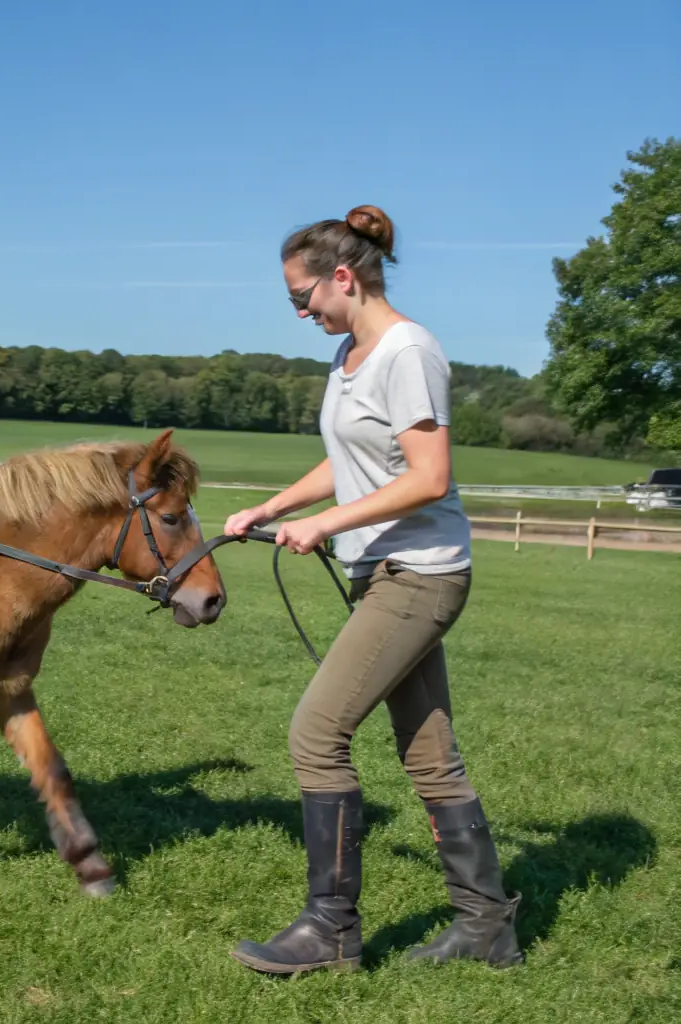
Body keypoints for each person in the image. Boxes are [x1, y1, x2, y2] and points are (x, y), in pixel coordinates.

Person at [224, 206, 523, 974]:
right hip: (383, 572)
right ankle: (485, 927)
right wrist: (273, 506)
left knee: (314, 735)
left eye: (302, 296)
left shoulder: (406, 351)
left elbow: (428, 476)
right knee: (430, 756)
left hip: (418, 575)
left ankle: (329, 932)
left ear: (343, 277)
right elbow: (351, 459)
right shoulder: (351, 356)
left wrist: (324, 526)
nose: (299, 312)